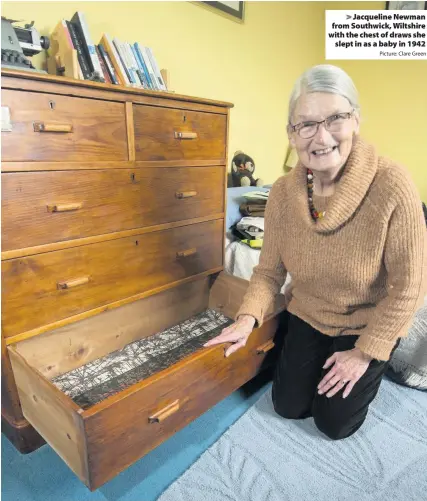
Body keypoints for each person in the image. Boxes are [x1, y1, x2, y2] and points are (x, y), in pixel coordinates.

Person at [204, 64, 427, 440]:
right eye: (305, 124)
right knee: (288, 406)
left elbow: (410, 288)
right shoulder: (281, 194)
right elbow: (269, 272)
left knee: (334, 424)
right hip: (308, 311)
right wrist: (246, 319)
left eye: (335, 119)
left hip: (365, 322)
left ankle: (373, 362)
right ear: (291, 134)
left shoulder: (393, 184)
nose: (320, 137)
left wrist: (365, 353)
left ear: (355, 120)